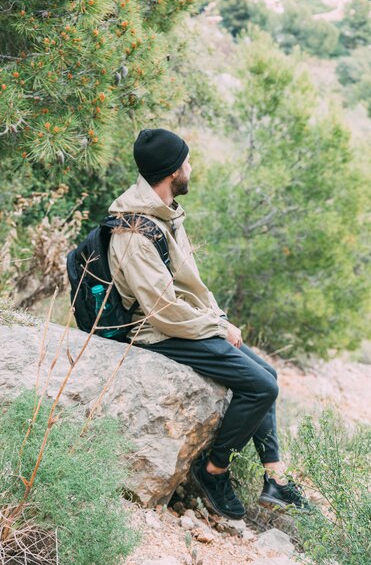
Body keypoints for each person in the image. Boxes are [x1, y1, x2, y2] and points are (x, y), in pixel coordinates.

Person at [108, 128, 309, 520]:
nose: (191, 167)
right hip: (151, 331)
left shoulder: (164, 215)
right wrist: (216, 329)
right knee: (260, 387)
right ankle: (214, 470)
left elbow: (189, 285)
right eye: (186, 161)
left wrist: (218, 318)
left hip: (182, 321)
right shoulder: (133, 231)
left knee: (266, 374)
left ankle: (276, 481)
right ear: (171, 173)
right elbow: (161, 310)